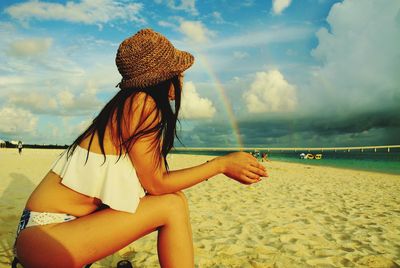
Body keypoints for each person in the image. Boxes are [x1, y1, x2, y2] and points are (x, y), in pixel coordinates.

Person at [12, 29, 267, 268]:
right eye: (178, 70)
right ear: (162, 75)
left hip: (50, 230)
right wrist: (221, 164)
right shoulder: (142, 104)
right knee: (171, 205)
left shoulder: (128, 104)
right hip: (47, 235)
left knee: (174, 199)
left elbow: (156, 184)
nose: (182, 77)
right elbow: (157, 185)